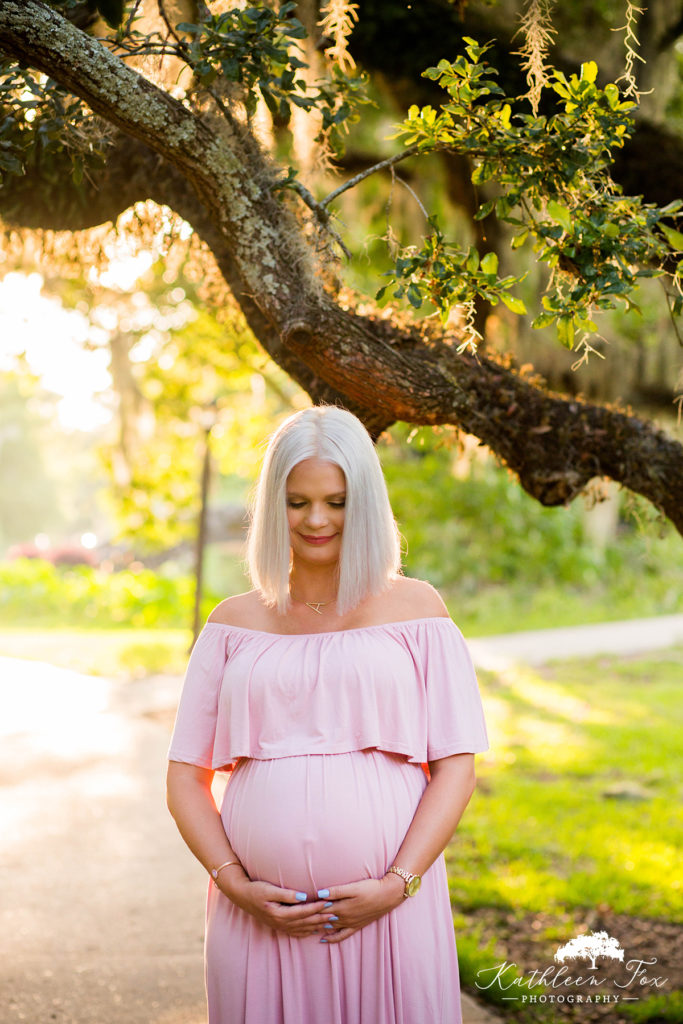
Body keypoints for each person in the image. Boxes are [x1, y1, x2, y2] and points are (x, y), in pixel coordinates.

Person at [166, 405, 490, 1024]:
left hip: (390, 913)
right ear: (271, 505)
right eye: (297, 502)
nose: (317, 520)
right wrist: (235, 884)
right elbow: (185, 777)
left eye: (337, 502)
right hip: (256, 921)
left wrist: (397, 885)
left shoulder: (417, 611)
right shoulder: (231, 625)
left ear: (364, 500)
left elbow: (456, 768)